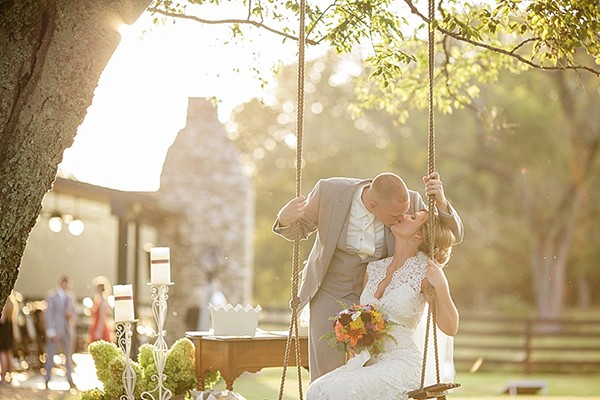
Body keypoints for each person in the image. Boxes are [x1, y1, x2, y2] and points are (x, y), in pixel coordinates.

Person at [273, 171, 463, 380]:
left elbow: (451, 234)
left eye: (406, 214)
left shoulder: (408, 203)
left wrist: (442, 202)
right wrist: (284, 219)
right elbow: (298, 231)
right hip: (329, 290)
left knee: (367, 371)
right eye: (395, 217)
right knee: (325, 373)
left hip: (378, 298)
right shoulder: (329, 192)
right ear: (373, 206)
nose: (402, 218)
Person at [306, 211, 459, 399]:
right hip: (371, 361)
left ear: (418, 235)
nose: (403, 215)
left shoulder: (425, 273)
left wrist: (442, 287)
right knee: (316, 389)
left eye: (412, 218)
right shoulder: (374, 268)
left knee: (343, 391)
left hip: (402, 364)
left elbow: (450, 327)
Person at [44, 275, 77, 389]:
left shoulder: (71, 297)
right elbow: (48, 315)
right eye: (64, 283)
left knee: (68, 357)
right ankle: (47, 378)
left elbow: (75, 314)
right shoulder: (52, 296)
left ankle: (69, 379)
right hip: (56, 331)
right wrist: (50, 331)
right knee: (51, 355)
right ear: (61, 283)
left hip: (68, 331)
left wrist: (72, 315)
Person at [0, 292, 17, 384]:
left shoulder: (5, 303)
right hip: (9, 330)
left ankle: (3, 376)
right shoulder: (12, 303)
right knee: (8, 353)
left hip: (2, 331)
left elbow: (2, 319)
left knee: (2, 353)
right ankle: (10, 374)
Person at [88, 277, 112, 343]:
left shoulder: (103, 300)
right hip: (96, 324)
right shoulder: (98, 299)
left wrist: (99, 331)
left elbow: (102, 317)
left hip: (100, 326)